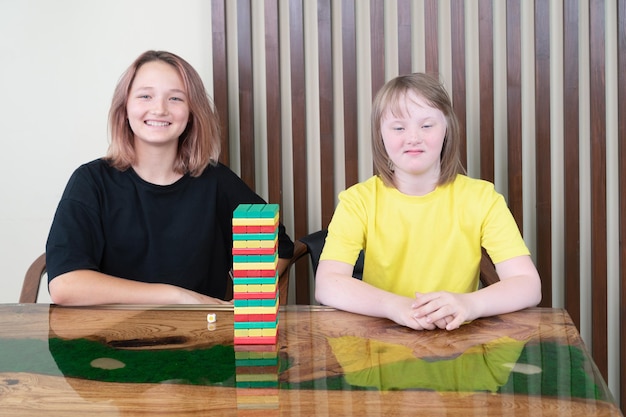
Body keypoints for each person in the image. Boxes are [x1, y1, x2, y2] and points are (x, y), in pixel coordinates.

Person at [46, 50, 293, 306]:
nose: (159, 109)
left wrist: (245, 299)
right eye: (145, 96)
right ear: (125, 108)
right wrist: (177, 295)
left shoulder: (217, 182)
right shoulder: (90, 182)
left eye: (175, 98)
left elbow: (280, 247)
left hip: (197, 339)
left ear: (192, 112)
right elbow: (65, 284)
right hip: (109, 339)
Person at [315, 73, 541, 331]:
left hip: (457, 346)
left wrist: (468, 304)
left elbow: (528, 284)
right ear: (381, 135)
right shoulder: (358, 201)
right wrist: (396, 307)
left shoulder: (482, 198)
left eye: (426, 125)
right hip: (381, 346)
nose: (413, 138)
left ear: (446, 129)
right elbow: (327, 284)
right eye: (399, 128)